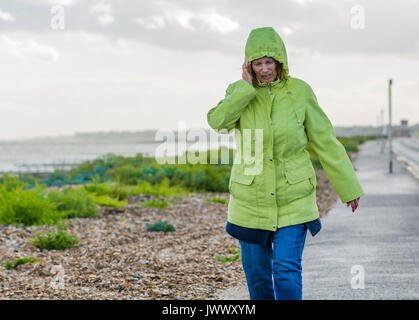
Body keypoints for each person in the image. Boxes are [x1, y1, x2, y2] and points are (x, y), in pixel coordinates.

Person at [207, 26, 364, 300]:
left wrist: (349, 187)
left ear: (280, 61)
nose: (265, 69)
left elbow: (325, 141)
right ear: (248, 65)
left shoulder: (300, 92)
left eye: (269, 62)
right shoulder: (238, 91)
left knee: (285, 269)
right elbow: (218, 122)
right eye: (258, 63)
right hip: (250, 200)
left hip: (294, 198)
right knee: (257, 278)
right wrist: (245, 89)